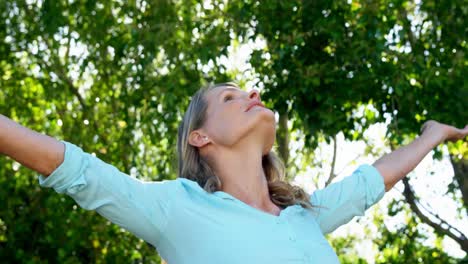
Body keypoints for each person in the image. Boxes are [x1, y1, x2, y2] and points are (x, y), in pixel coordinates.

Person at [0, 82, 466, 263]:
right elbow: (76, 169)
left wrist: (433, 136)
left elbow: (372, 180)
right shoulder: (176, 209)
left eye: (247, 92)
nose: (253, 95)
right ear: (199, 137)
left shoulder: (305, 215)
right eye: (229, 97)